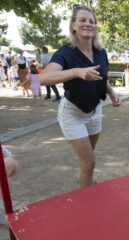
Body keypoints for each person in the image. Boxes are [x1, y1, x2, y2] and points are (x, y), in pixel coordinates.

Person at [39, 4, 121, 188]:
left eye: (91, 21)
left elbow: (102, 79)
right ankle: (86, 201)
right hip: (72, 113)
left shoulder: (101, 52)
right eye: (82, 20)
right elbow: (43, 79)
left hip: (95, 110)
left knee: (88, 159)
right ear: (73, 25)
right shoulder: (65, 52)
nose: (88, 24)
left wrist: (112, 92)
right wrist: (76, 72)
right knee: (89, 162)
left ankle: (85, 177)